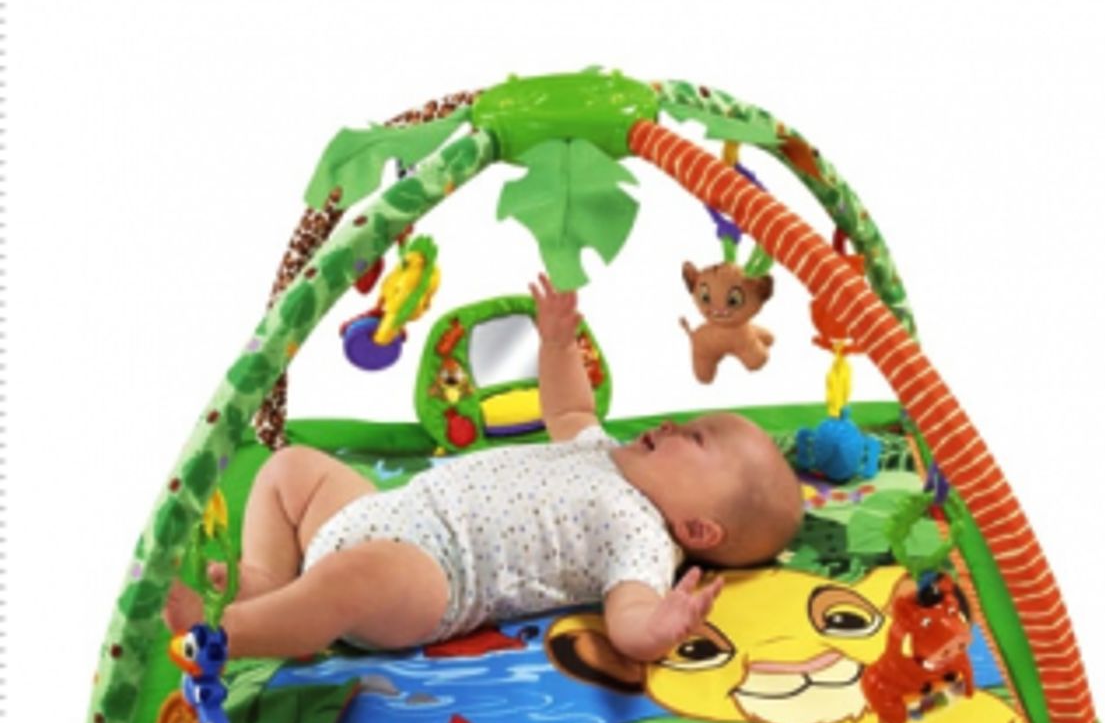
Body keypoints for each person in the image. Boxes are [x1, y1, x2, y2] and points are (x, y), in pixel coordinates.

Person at [166, 276, 802, 663]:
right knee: (292, 469)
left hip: (434, 576)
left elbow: (630, 619)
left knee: (352, 577)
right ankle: (266, 581)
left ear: (699, 529)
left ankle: (233, 632)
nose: (671, 425)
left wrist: (658, 629)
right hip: (388, 511)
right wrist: (557, 343)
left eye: (695, 439)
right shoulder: (600, 450)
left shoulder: (643, 538)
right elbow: (570, 408)